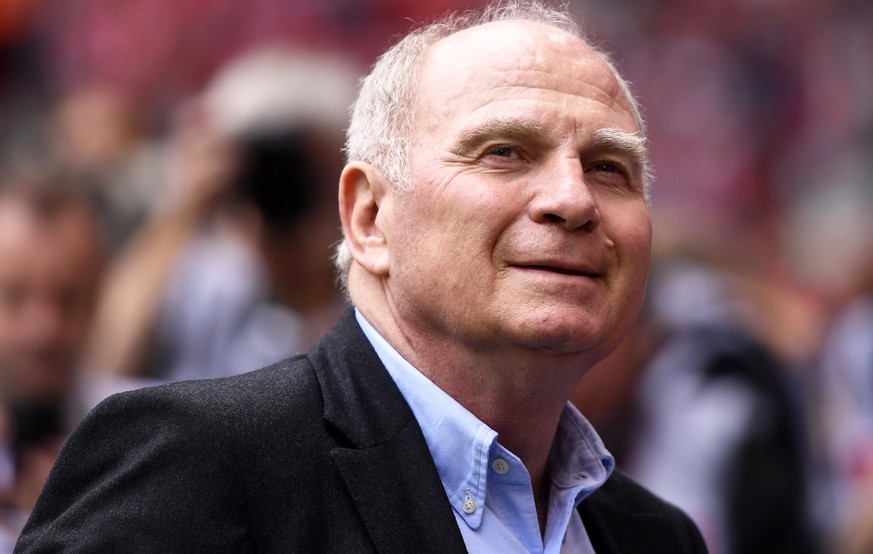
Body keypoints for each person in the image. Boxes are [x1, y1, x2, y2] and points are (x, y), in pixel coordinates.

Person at [17, 1, 707, 552]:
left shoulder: (656, 537)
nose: (573, 198)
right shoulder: (196, 464)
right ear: (370, 217)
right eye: (504, 153)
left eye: (608, 167)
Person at [0, 175, 105, 549]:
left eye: (67, 297)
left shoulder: (150, 439)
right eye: (14, 296)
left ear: (98, 295)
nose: (43, 328)